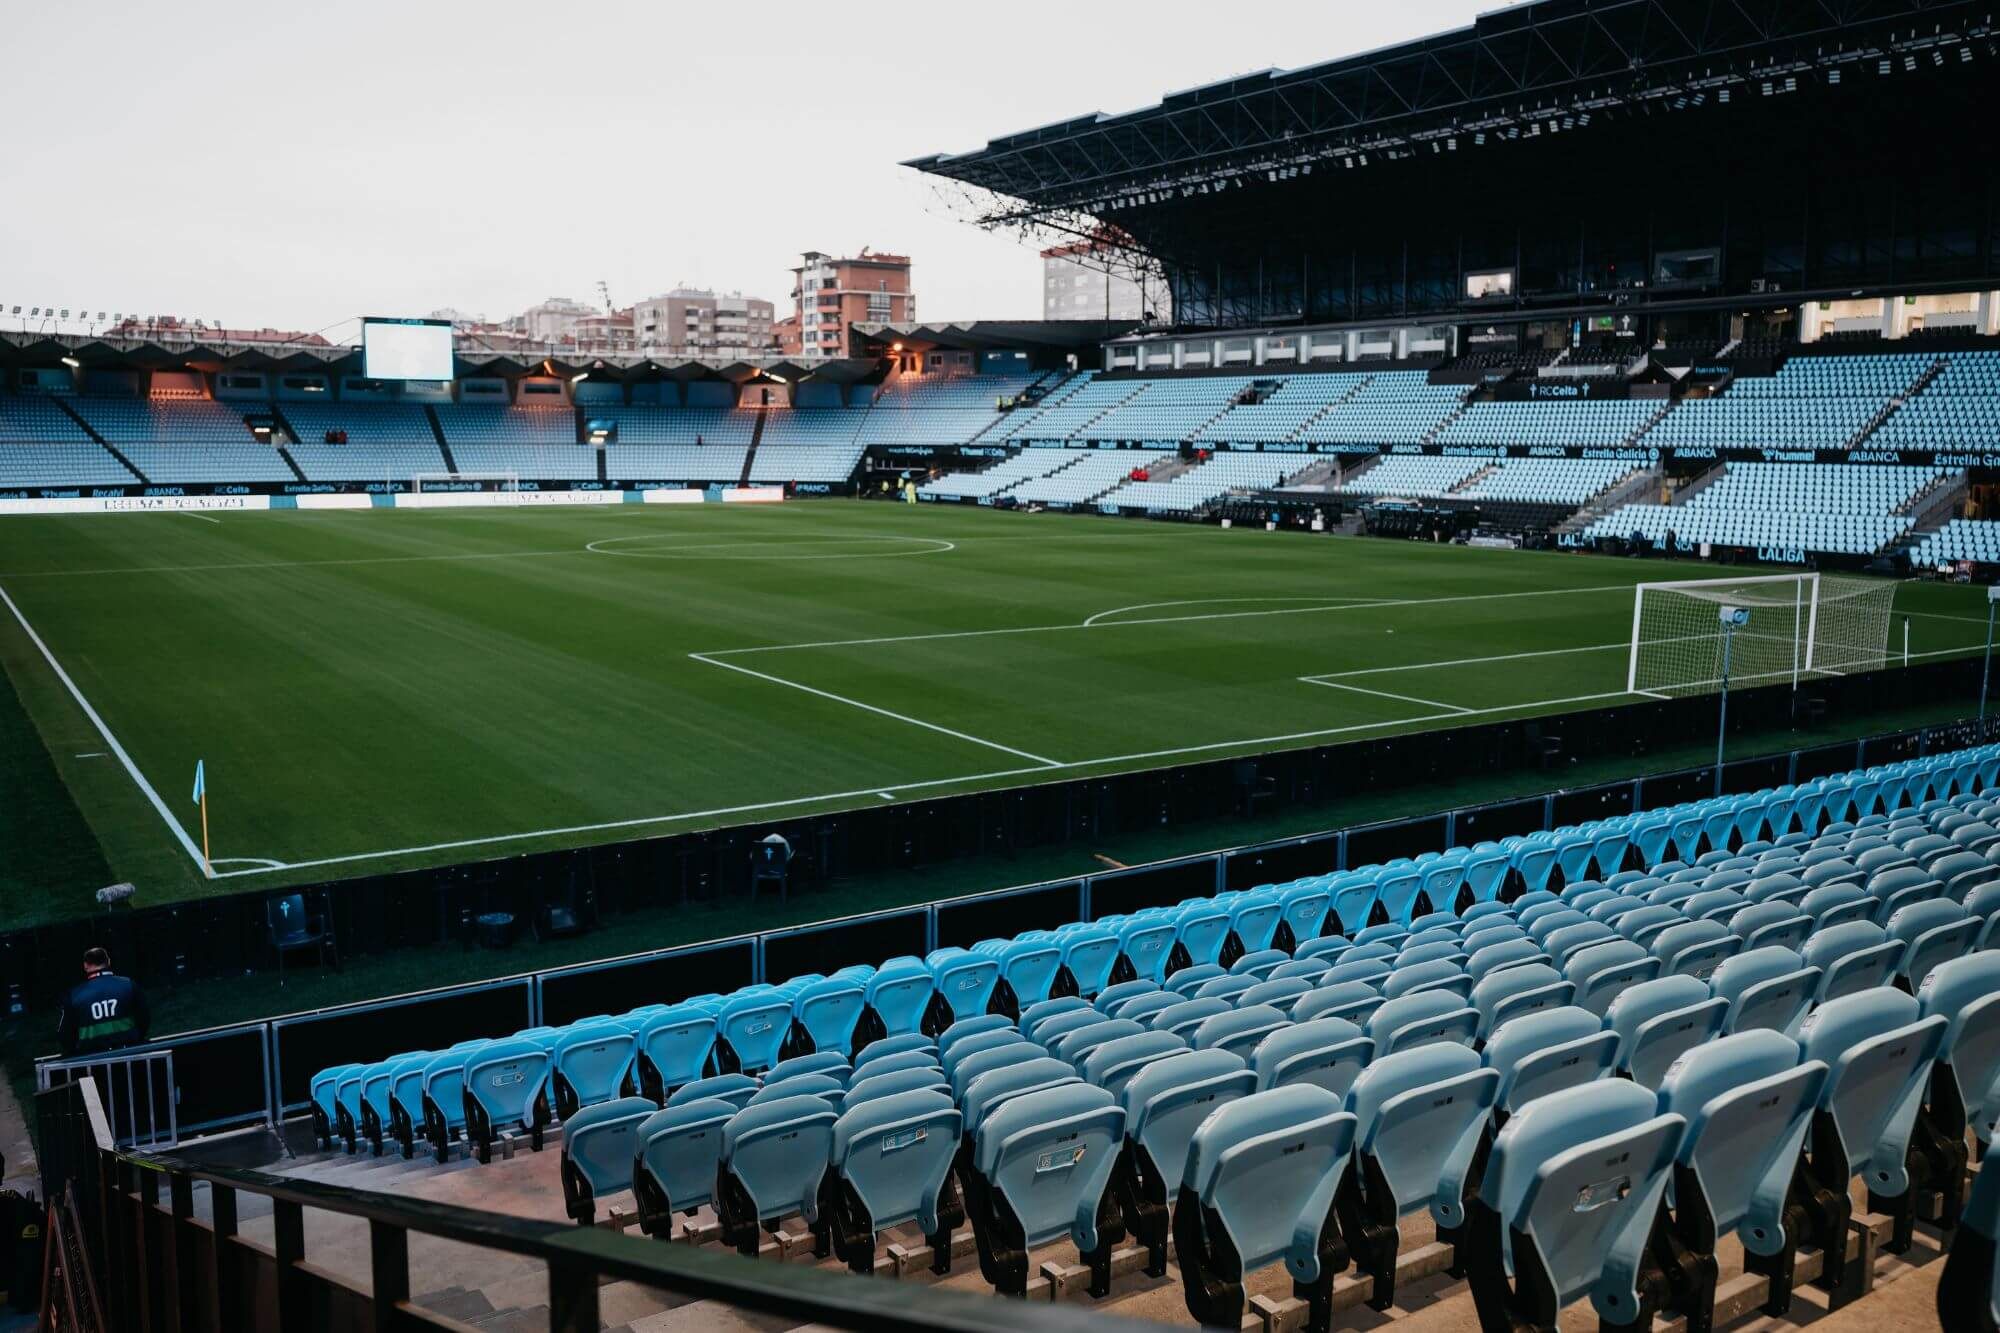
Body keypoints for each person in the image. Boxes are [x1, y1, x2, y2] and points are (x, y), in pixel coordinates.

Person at [57, 947, 148, 1056]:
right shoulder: (129, 984)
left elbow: (65, 1035)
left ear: (85, 966)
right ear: (108, 962)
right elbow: (144, 1018)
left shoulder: (73, 995)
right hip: (130, 1054)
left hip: (93, 1062)